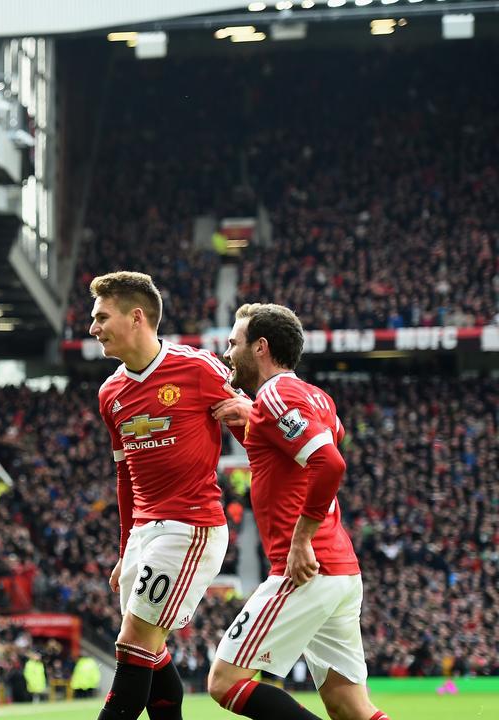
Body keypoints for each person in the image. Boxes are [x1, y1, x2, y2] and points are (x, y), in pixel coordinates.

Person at [206, 303, 390, 720]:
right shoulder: (315, 397)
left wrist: (301, 539)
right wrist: (249, 421)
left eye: (234, 343)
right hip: (341, 572)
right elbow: (295, 454)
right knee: (350, 708)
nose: (228, 351)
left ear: (261, 348)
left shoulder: (273, 395)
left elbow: (330, 464)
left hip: (307, 570)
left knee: (225, 682)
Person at [88, 271, 233, 720]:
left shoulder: (198, 369)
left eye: (101, 317)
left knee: (132, 647)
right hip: (143, 534)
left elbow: (255, 431)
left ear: (137, 317)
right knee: (152, 653)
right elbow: (124, 478)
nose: (93, 328)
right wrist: (124, 547)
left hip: (190, 526)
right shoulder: (110, 393)